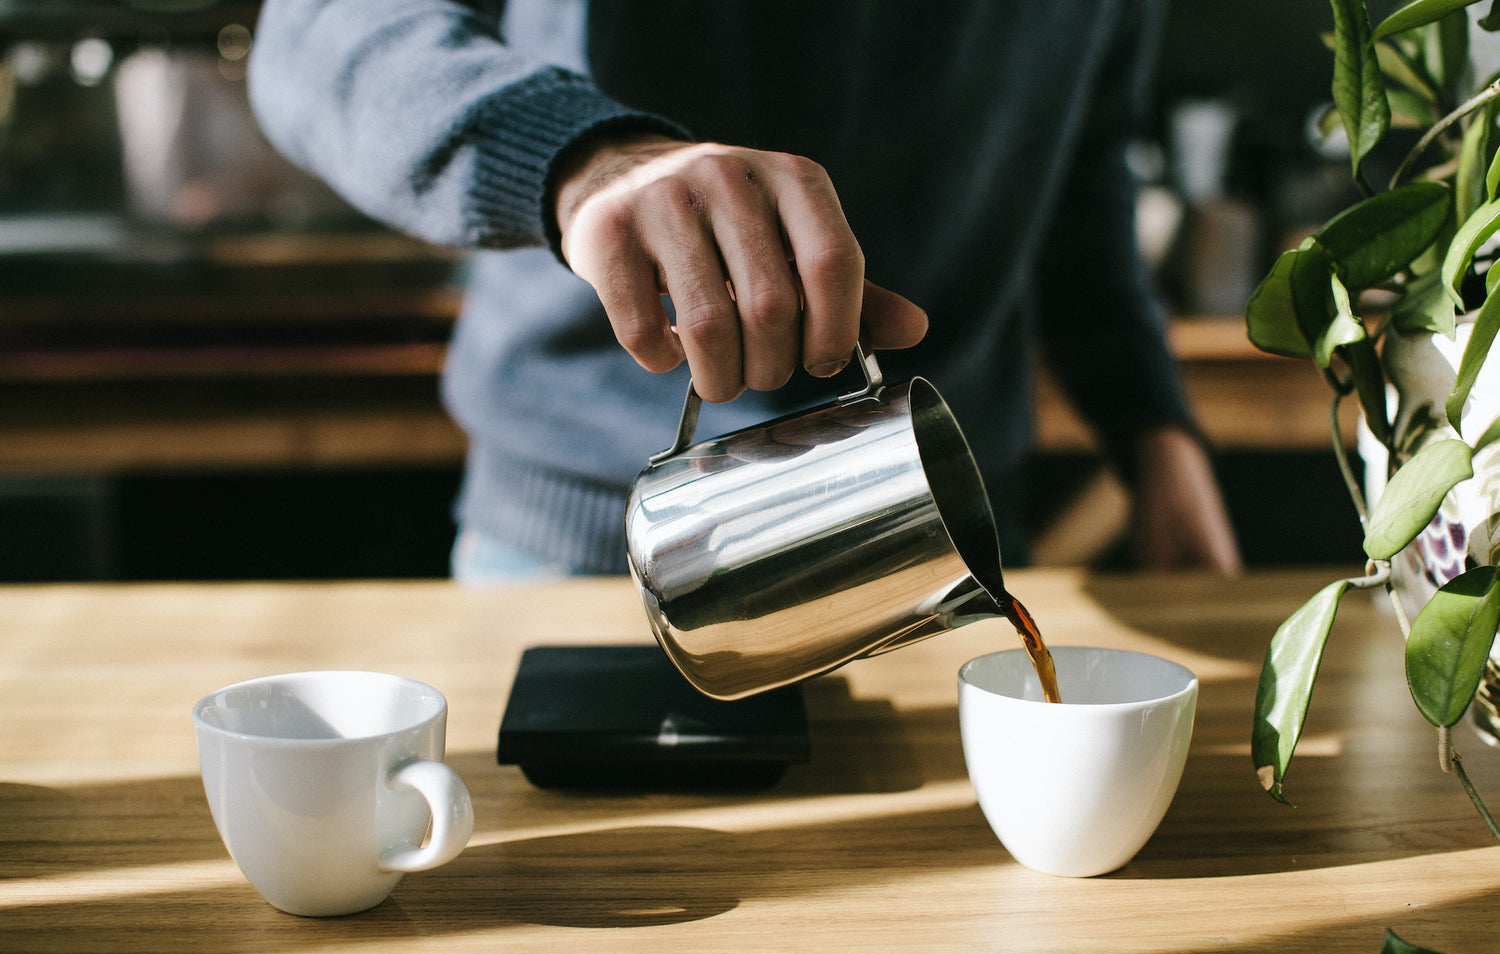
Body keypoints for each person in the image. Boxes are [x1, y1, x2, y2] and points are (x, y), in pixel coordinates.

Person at [246, 0, 1242, 581]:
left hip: (948, 538)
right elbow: (326, 31)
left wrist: (1154, 436)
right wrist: (588, 159)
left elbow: (1078, 161)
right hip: (595, 552)